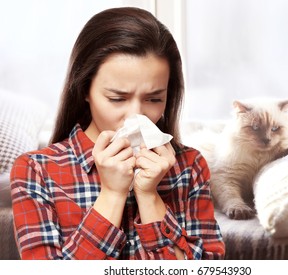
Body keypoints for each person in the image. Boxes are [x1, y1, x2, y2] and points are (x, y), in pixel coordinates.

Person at [10, 7, 225, 260]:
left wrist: (149, 197)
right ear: (84, 90)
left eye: (154, 98)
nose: (136, 115)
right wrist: (112, 194)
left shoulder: (189, 166)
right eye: (117, 98)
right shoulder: (37, 171)